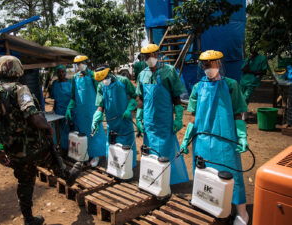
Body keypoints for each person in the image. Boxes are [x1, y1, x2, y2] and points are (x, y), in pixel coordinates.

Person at [0, 56, 56, 225]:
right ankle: (67, 175)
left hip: (12, 150)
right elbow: (34, 117)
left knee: (24, 182)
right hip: (32, 147)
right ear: (17, 70)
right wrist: (47, 127)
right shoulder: (20, 90)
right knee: (53, 155)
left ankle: (28, 219)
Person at [180, 50, 249, 225]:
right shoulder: (197, 87)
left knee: (232, 172)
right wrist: (187, 137)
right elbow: (193, 116)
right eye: (205, 64)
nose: (209, 68)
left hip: (225, 139)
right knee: (203, 172)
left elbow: (239, 113)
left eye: (212, 64)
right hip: (202, 139)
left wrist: (241, 135)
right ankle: (207, 202)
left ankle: (241, 211)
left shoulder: (231, 85)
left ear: (219, 63)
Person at [136, 43, 189, 185]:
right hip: (149, 120)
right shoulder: (142, 74)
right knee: (150, 150)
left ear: (157, 55)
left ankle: (167, 180)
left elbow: (176, 97)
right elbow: (140, 97)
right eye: (146, 56)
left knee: (165, 150)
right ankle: (154, 180)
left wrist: (178, 118)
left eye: (152, 55)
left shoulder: (169, 71)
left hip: (164, 120)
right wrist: (139, 115)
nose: (150, 58)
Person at [91, 65, 138, 167]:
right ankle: (114, 167)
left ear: (109, 74)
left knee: (126, 145)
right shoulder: (101, 86)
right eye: (101, 80)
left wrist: (129, 109)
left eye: (104, 78)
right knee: (112, 145)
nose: (104, 81)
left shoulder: (123, 81)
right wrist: (97, 115)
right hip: (111, 122)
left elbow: (135, 96)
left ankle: (128, 167)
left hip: (124, 120)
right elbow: (100, 104)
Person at [65, 55, 106, 167]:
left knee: (95, 133)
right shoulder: (75, 78)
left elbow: (100, 93)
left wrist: (100, 109)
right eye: (78, 64)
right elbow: (73, 95)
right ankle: (84, 154)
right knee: (82, 133)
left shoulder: (93, 75)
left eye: (82, 63)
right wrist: (70, 107)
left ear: (86, 62)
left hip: (92, 109)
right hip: (80, 111)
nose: (80, 65)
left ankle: (96, 155)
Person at [50, 65, 72, 151]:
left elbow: (74, 98)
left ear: (65, 72)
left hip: (69, 110)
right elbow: (55, 98)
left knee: (70, 128)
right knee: (59, 130)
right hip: (58, 110)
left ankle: (71, 148)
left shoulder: (70, 83)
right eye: (59, 72)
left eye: (63, 71)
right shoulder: (55, 84)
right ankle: (62, 147)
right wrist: (53, 110)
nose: (61, 73)